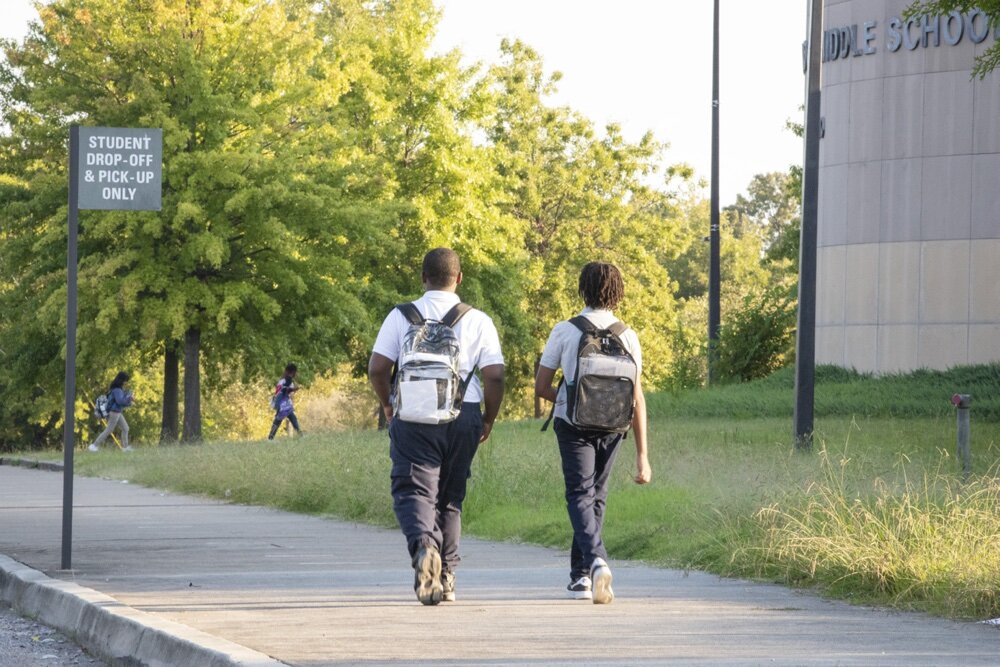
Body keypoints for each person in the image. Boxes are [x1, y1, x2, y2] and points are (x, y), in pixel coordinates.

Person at [368, 248, 505, 605]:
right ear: (459, 279)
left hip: (412, 416)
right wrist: (488, 417)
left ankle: (425, 548)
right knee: (450, 499)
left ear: (422, 277)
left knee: (413, 490)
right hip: (464, 414)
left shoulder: (401, 316)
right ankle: (447, 576)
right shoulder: (478, 320)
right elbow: (494, 375)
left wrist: (387, 403)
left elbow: (378, 368)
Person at [534, 261, 651, 604]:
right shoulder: (628, 335)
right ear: (618, 291)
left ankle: (596, 560)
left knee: (579, 495)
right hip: (615, 425)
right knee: (595, 497)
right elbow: (637, 397)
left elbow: (541, 386)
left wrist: (571, 400)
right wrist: (643, 457)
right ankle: (580, 577)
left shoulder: (566, 330)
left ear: (582, 289)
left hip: (573, 426)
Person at [88, 371, 134, 452]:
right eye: (125, 380)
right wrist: (129, 398)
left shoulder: (116, 389)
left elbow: (120, 402)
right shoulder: (117, 390)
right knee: (109, 430)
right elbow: (120, 401)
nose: (126, 383)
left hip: (117, 411)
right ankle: (93, 446)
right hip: (114, 412)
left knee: (125, 428)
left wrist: (129, 401)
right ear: (122, 380)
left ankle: (125, 448)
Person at [268, 363, 302, 440]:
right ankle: (270, 438)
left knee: (292, 417)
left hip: (283, 403)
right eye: (296, 372)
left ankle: (300, 434)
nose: (296, 374)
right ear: (293, 372)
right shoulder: (288, 380)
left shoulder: (282, 380)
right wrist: (293, 389)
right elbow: (284, 390)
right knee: (279, 420)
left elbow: (280, 391)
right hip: (283, 404)